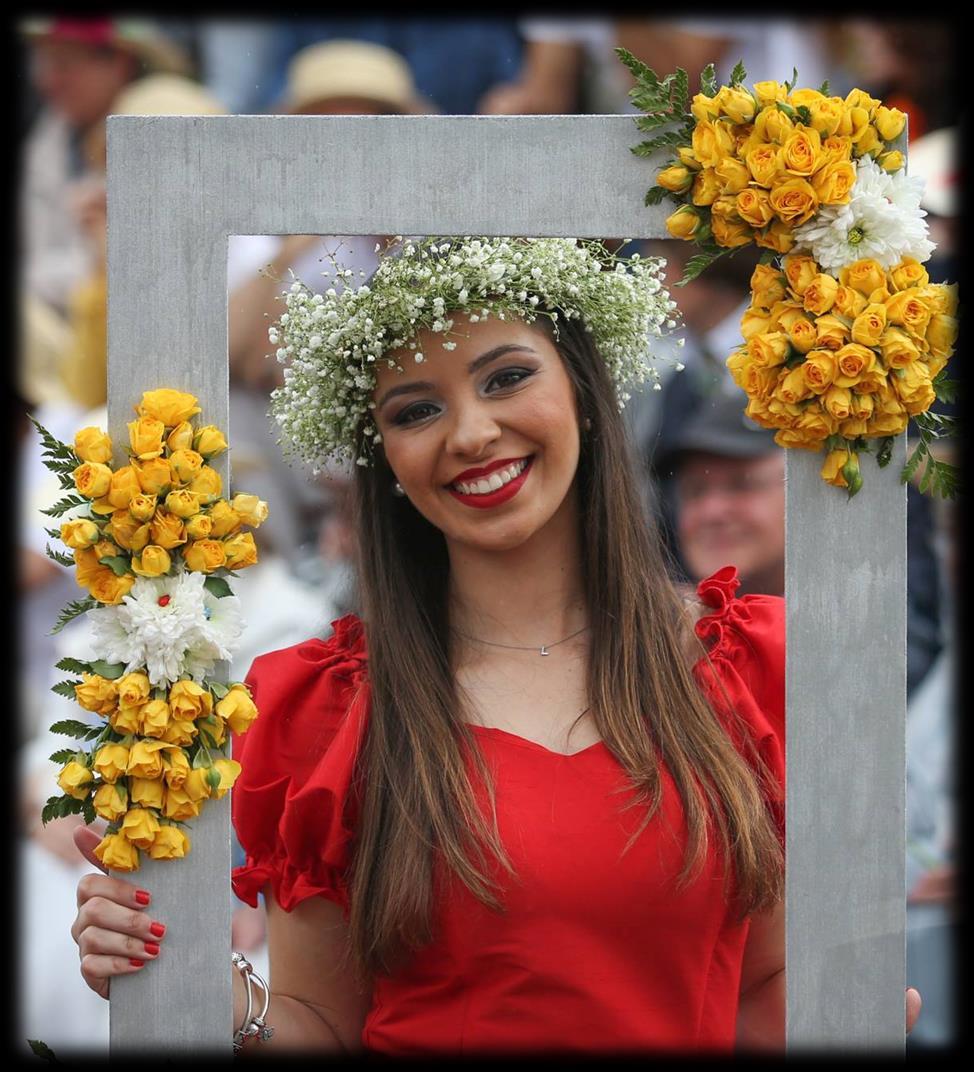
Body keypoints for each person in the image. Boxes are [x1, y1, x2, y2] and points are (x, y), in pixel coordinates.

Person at [67, 236, 920, 1054]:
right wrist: (204, 992)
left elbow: (766, 994)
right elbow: (319, 1024)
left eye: (507, 377)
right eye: (417, 410)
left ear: (583, 388)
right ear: (386, 459)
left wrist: (850, 1012)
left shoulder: (747, 666)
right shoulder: (332, 710)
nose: (471, 433)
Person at [659, 393, 786, 598]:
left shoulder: (844, 623)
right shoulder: (648, 624)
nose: (712, 511)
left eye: (742, 485)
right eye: (695, 490)